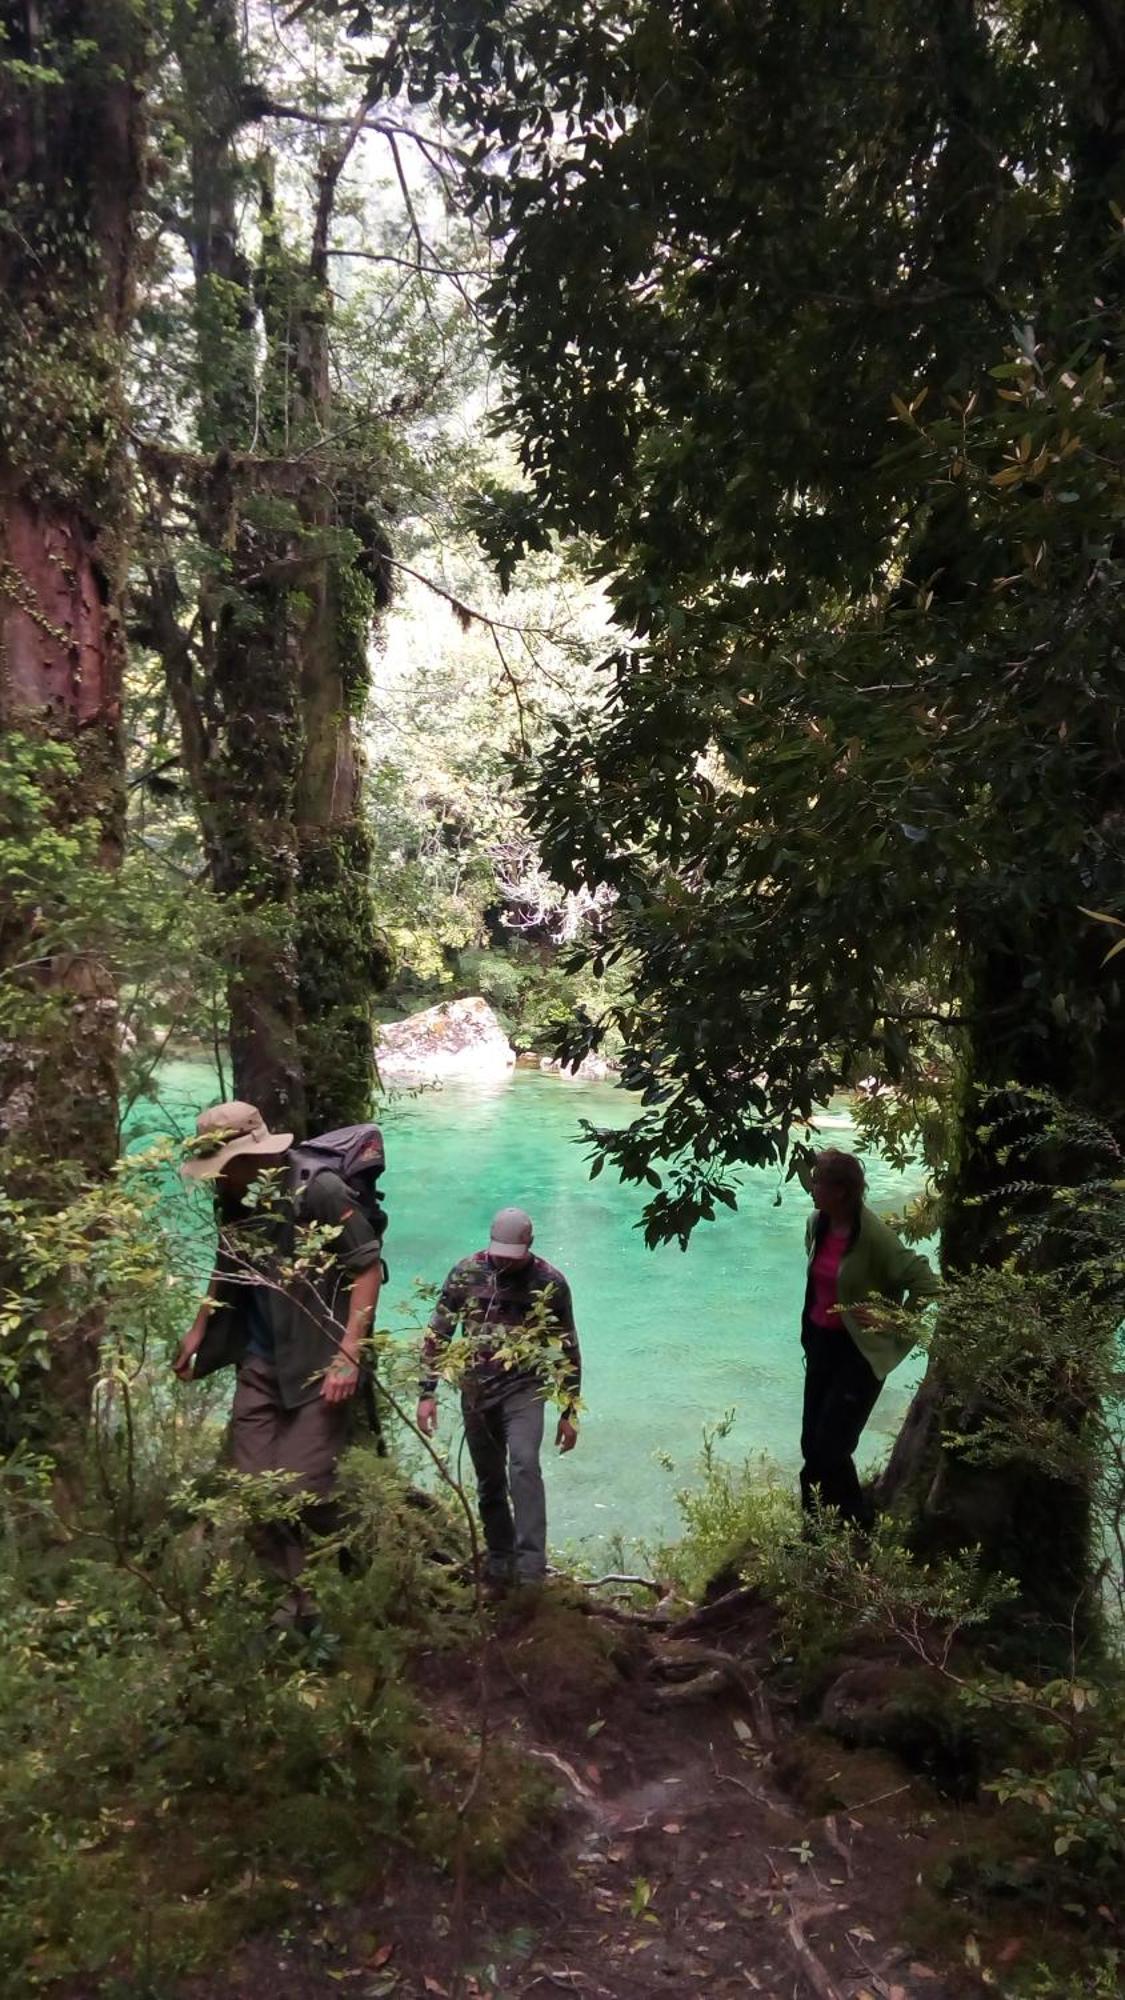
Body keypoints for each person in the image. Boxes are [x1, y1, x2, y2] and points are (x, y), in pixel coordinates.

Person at [173, 1101, 383, 1625]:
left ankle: (340, 1574)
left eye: (221, 1164)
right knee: (250, 1487)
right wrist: (201, 1324)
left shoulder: (319, 1189)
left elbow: (367, 1269)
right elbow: (231, 1257)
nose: (216, 1177)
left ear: (251, 1155)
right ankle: (289, 1602)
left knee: (301, 1487)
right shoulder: (237, 1197)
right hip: (261, 1361)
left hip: (318, 1364)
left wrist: (348, 1354)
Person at [416, 1206, 580, 1593]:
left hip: (524, 1389)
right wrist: (428, 1391)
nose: (503, 1262)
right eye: (499, 1253)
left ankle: (530, 1570)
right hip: (476, 1391)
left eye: (512, 1255)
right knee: (489, 1480)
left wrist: (569, 1409)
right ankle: (499, 1561)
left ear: (529, 1246)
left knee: (524, 1466)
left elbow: (568, 1346)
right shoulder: (466, 1272)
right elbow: (438, 1332)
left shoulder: (550, 1282)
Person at [800, 1147, 938, 1526]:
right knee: (811, 1444)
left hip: (858, 1355)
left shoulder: (875, 1236)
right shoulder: (817, 1223)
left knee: (832, 1447)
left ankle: (856, 1524)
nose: (811, 1187)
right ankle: (816, 1528)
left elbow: (928, 1284)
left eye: (817, 1181)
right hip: (821, 1347)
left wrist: (892, 1318)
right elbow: (820, 1281)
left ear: (841, 1191)